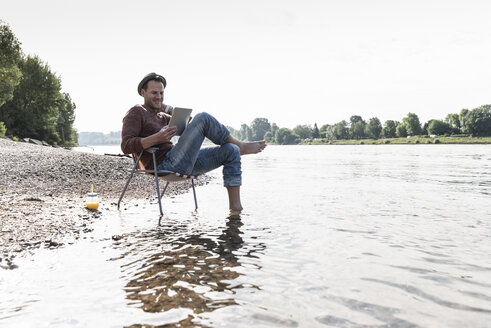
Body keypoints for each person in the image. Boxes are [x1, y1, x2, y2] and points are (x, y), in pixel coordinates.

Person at [121, 72, 266, 215]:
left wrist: (166, 108)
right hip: (164, 164)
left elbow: (192, 125)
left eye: (161, 93)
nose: (158, 96)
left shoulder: (162, 116)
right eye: (154, 93)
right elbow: (126, 146)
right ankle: (242, 146)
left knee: (231, 150)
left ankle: (235, 210)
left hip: (182, 162)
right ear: (142, 92)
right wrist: (157, 138)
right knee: (203, 117)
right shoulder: (136, 112)